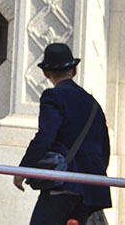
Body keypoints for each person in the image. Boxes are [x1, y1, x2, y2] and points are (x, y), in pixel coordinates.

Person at [14, 43, 111, 225]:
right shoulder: (92, 103)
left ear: (46, 73)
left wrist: (23, 169)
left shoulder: (53, 96)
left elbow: (45, 137)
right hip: (91, 189)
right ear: (74, 71)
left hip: (64, 184)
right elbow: (104, 149)